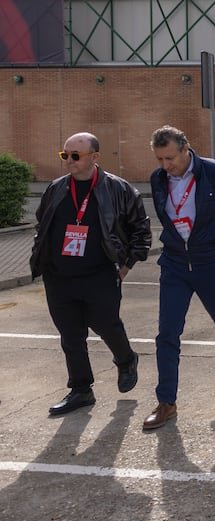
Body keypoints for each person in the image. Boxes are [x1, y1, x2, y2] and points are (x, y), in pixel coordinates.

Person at [31, 132, 150, 416]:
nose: (68, 161)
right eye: (65, 155)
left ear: (95, 157)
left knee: (107, 325)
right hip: (58, 276)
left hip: (100, 275)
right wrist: (43, 260)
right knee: (71, 336)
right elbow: (41, 224)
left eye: (75, 155)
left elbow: (141, 232)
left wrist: (125, 266)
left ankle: (125, 360)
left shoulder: (119, 190)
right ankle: (81, 390)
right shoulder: (56, 188)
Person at [143, 126, 215, 431]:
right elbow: (166, 216)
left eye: (170, 158)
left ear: (185, 148)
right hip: (175, 264)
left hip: (212, 263)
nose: (166, 165)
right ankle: (166, 402)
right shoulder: (158, 179)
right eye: (160, 159)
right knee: (167, 333)